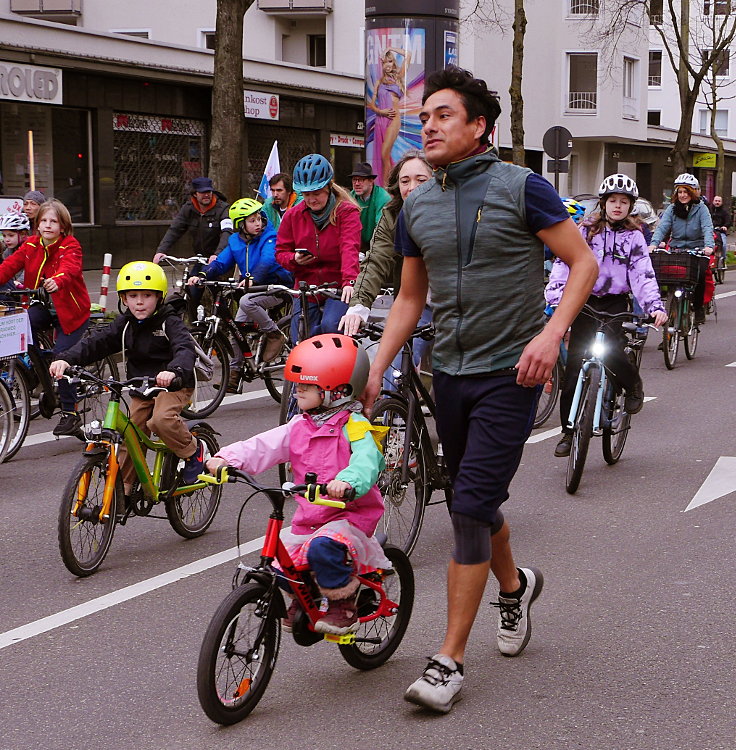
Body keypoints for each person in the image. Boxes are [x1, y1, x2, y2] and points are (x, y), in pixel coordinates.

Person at [361, 65, 599, 714]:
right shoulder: (416, 204)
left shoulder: (524, 188)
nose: (428, 125)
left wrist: (550, 337)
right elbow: (411, 298)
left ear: (478, 127)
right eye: (425, 116)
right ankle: (516, 586)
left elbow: (583, 263)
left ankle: (448, 660)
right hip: (450, 374)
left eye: (443, 115)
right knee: (476, 500)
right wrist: (379, 362)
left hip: (512, 374)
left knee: (466, 509)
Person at [206, 333, 390, 635]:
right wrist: (227, 458)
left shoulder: (354, 427)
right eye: (297, 385)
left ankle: (343, 604)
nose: (296, 392)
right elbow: (263, 445)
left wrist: (346, 481)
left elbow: (368, 461)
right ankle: (305, 598)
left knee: (323, 549)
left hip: (349, 514)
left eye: (306, 386)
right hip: (313, 514)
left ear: (338, 390)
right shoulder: (299, 426)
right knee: (281, 563)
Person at [50, 261, 206, 499]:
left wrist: (174, 372)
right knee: (129, 435)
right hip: (140, 386)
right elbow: (97, 342)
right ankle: (123, 487)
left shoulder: (169, 321)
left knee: (160, 421)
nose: (140, 302)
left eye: (147, 295)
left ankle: (193, 452)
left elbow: (184, 348)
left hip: (173, 384)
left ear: (160, 297)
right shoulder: (125, 324)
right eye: (133, 296)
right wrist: (66, 360)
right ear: (123, 299)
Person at [546, 174, 669, 458]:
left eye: (623, 202)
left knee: (613, 353)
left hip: (616, 303)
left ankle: (633, 384)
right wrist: (556, 294)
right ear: (603, 203)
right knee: (575, 367)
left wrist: (654, 307)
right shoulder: (585, 231)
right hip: (585, 301)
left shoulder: (635, 237)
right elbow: (565, 263)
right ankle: (568, 431)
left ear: (630, 207)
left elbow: (642, 274)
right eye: (612, 200)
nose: (617, 206)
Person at [0, 199, 91, 436]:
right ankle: (35, 372)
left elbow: (70, 269)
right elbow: (8, 267)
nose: (48, 225)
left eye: (54, 221)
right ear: (37, 225)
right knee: (18, 324)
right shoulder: (30, 245)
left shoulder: (70, 245)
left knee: (62, 357)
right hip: (41, 305)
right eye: (44, 221)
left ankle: (70, 413)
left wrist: (56, 280)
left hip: (70, 312)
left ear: (63, 226)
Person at [188, 197, 292, 389]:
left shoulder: (270, 236)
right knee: (236, 331)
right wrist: (202, 275)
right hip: (251, 289)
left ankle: (275, 334)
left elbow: (268, 260)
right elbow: (220, 262)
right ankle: (235, 377)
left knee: (246, 302)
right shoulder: (235, 241)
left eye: (259, 219)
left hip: (275, 287)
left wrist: (253, 278)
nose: (258, 224)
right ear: (240, 224)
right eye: (252, 221)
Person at [275, 154, 361, 343]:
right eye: (306, 195)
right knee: (300, 337)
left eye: (317, 193)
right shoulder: (293, 215)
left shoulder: (346, 212)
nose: (312, 200)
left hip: (337, 283)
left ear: (329, 187)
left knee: (332, 327)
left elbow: (349, 247)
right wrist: (294, 259)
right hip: (307, 285)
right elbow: (280, 252)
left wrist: (349, 281)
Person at [649, 173, 713, 324]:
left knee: (700, 277)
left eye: (686, 192)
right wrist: (653, 244)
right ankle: (667, 329)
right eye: (680, 192)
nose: (682, 195)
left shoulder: (701, 209)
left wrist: (708, 246)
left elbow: (707, 228)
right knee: (664, 276)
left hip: (696, 248)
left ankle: (698, 309)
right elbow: (662, 227)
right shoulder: (672, 209)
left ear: (693, 192)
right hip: (676, 248)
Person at [153, 176, 232, 264]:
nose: (206, 195)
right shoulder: (188, 209)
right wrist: (161, 251)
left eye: (209, 192)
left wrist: (218, 255)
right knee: (191, 277)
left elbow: (227, 232)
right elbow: (175, 230)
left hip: (220, 259)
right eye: (202, 192)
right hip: (200, 258)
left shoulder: (223, 209)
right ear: (195, 194)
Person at [367, 48, 411, 185]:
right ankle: (387, 186)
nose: (388, 65)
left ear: (393, 63)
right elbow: (372, 105)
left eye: (390, 61)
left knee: (385, 153)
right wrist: (381, 112)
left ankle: (390, 186)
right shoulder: (379, 82)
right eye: (385, 62)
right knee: (382, 156)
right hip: (381, 119)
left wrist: (390, 49)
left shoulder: (399, 77)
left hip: (394, 119)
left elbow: (408, 55)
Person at [348, 162, 390, 254]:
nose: (357, 183)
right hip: (357, 247)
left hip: (379, 246)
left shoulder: (383, 197)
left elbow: (381, 229)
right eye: (354, 180)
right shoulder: (350, 198)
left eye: (361, 180)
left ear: (371, 181)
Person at [0, 212, 31, 293]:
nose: (7, 239)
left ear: (23, 234)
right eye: (4, 235)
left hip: (31, 290)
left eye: (11, 235)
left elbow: (29, 271)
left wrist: (19, 282)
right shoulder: (7, 251)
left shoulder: (32, 248)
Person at [709, 195, 730, 267]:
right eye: (716, 201)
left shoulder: (724, 212)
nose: (717, 202)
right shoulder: (709, 210)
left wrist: (725, 226)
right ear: (713, 201)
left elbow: (728, 221)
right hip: (710, 231)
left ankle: (723, 259)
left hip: (720, 232)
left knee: (723, 245)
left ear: (721, 202)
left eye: (719, 201)